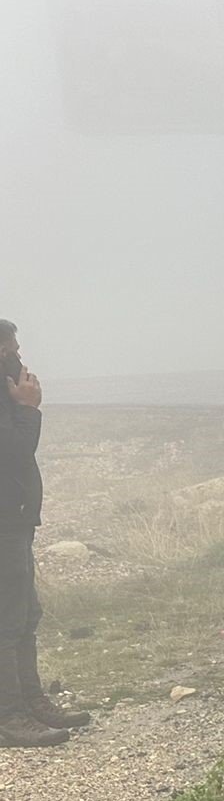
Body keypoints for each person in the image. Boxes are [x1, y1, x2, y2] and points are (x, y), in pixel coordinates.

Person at [0, 321, 88, 748]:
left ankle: (32, 702)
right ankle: (10, 718)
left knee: (24, 615)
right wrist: (29, 407)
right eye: (12, 350)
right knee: (7, 619)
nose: (19, 357)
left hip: (13, 516)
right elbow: (13, 450)